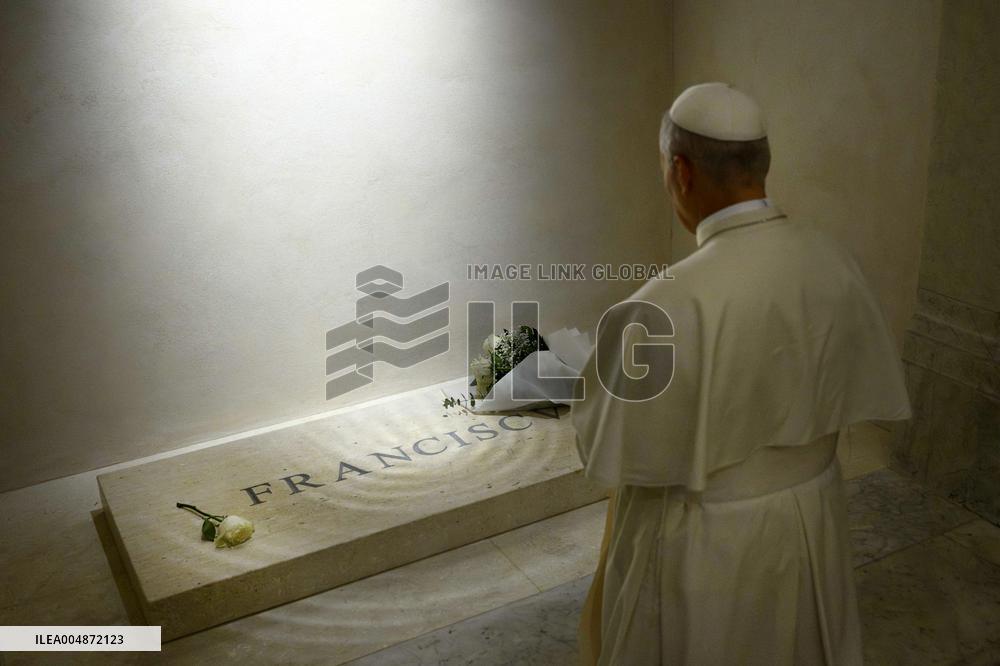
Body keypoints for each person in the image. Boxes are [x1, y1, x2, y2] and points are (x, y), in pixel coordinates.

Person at [572, 82, 912, 665]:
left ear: (680, 172)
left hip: (702, 547)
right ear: (761, 166)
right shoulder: (834, 260)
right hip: (812, 521)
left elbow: (604, 442)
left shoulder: (663, 306)